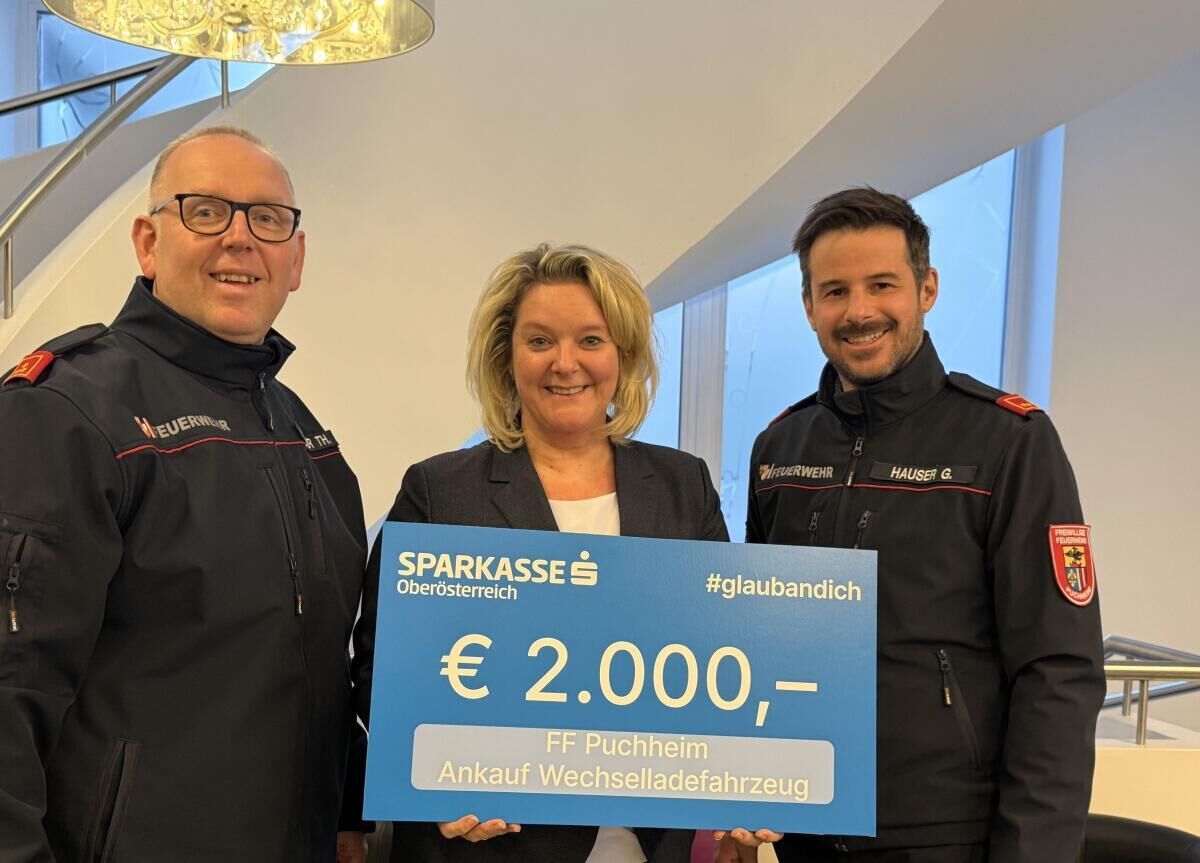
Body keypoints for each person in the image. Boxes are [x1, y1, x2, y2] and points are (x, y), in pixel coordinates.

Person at [0, 126, 369, 862]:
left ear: (295, 259)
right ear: (147, 242)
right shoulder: (67, 413)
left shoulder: (307, 438)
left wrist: (355, 807)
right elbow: (12, 687)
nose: (240, 238)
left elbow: (318, 671)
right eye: (206, 210)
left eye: (268, 218)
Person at [747, 188, 1105, 862]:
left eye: (882, 284)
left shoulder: (1009, 442)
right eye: (834, 291)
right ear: (809, 306)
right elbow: (760, 643)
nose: (859, 311)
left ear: (927, 288)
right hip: (806, 832)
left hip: (950, 837)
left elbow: (1058, 671)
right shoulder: (780, 449)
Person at [352, 243, 729, 863]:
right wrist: (438, 786)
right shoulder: (439, 490)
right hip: (489, 843)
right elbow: (382, 666)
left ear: (623, 355)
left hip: (643, 840)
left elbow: (723, 648)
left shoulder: (683, 483)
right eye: (539, 341)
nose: (565, 363)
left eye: (591, 340)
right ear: (506, 357)